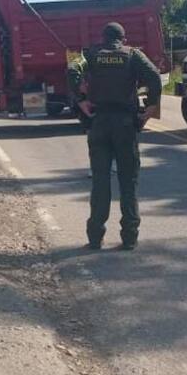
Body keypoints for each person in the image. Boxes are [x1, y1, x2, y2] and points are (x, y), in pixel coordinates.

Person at [81, 21, 161, 251]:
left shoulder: (90, 54)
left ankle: (95, 238)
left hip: (99, 123)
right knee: (128, 182)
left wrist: (80, 101)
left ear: (102, 37)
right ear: (123, 39)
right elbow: (154, 76)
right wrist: (151, 106)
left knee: (100, 181)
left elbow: (71, 70)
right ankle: (129, 238)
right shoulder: (133, 55)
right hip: (125, 125)